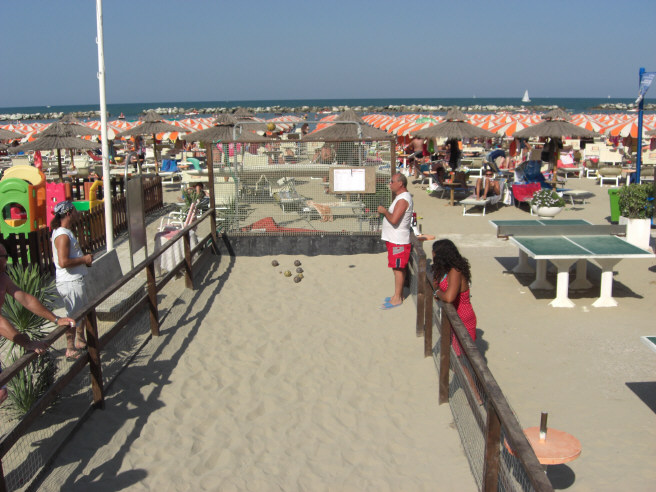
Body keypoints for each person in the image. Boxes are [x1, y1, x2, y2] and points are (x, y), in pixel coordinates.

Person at [0, 244, 72, 404]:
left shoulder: (3, 278)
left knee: (1, 393)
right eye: (5, 257)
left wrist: (55, 319)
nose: (7, 260)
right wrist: (26, 343)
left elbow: (25, 299)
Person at [51, 201, 93, 361]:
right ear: (68, 213)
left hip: (75, 280)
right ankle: (70, 348)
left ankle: (80, 341)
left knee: (80, 313)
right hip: (70, 283)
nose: (78, 213)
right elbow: (63, 262)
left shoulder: (65, 232)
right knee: (72, 317)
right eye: (75, 210)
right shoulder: (62, 235)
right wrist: (84, 259)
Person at [431, 239, 477, 356]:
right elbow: (436, 285)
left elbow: (449, 297)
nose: (433, 257)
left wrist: (437, 292)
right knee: (456, 354)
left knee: (463, 357)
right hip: (452, 316)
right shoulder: (445, 269)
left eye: (434, 254)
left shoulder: (455, 271)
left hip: (462, 318)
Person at [377, 173, 413, 309]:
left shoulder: (403, 199)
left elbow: (394, 219)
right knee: (396, 268)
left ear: (400, 183)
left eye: (392, 182)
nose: (390, 184)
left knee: (398, 269)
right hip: (394, 239)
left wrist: (384, 211)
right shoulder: (400, 197)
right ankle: (398, 295)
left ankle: (397, 298)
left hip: (398, 240)